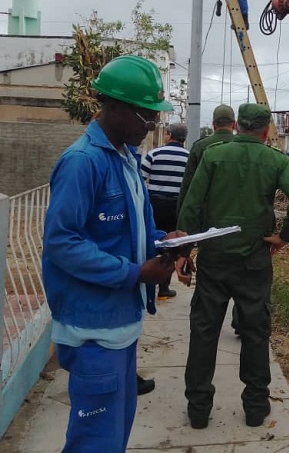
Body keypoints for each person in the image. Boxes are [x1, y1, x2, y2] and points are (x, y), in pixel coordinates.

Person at [42, 55, 183, 452]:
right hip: (93, 331)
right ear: (115, 107)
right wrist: (136, 274)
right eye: (146, 116)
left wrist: (165, 240)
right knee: (96, 441)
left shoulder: (124, 158)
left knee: (114, 433)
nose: (153, 125)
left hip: (120, 327)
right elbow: (61, 242)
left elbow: (133, 228)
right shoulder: (83, 163)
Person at [176, 103, 289, 429]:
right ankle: (254, 406)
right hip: (254, 262)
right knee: (254, 332)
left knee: (204, 331)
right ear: (265, 131)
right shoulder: (275, 160)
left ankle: (197, 409)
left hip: (214, 259)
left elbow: (191, 205)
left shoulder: (212, 155)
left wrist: (184, 251)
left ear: (237, 127)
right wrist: (283, 238)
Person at [140, 122, 190, 299]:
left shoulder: (154, 154)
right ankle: (163, 288)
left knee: (152, 241)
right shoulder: (189, 158)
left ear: (169, 135)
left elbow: (140, 179)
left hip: (155, 205)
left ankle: (146, 284)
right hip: (177, 207)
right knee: (171, 246)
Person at [176, 104, 236, 212]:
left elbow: (187, 185)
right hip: (237, 211)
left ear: (213, 125)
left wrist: (181, 213)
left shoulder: (200, 146)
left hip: (206, 214)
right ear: (234, 125)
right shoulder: (243, 146)